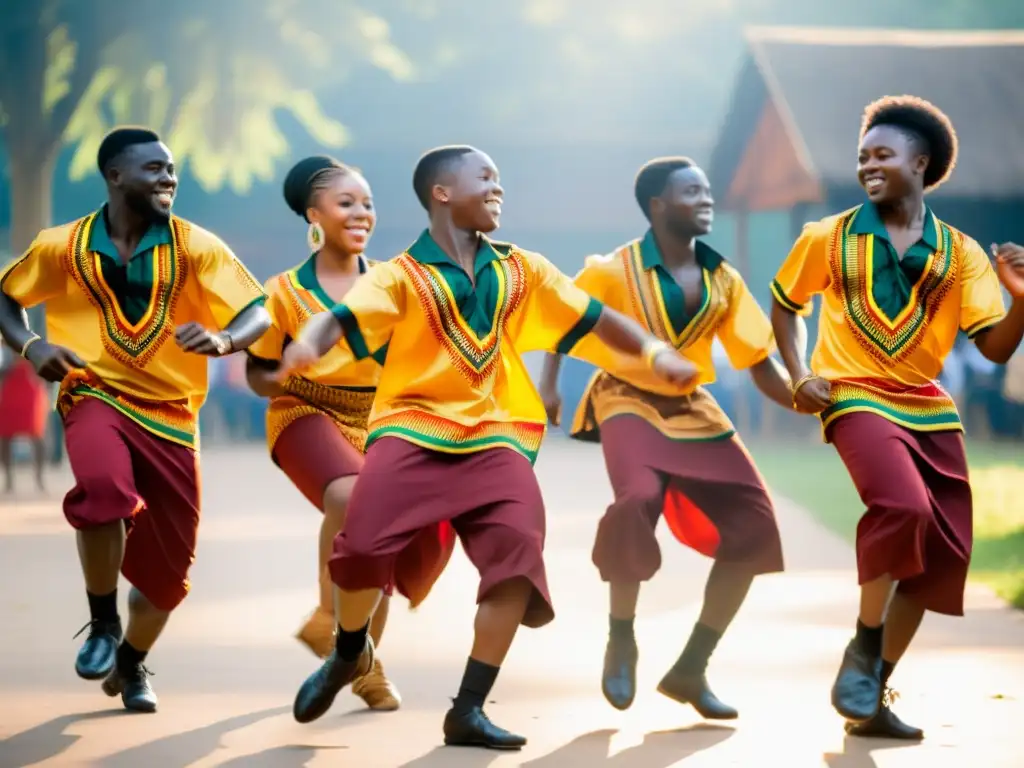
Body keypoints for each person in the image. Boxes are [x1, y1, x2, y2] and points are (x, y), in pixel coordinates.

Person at [275, 145, 699, 750]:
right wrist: (307, 343)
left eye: (499, 180)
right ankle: (347, 654)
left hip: (497, 436)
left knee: (517, 562)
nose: (498, 189)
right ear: (442, 193)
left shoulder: (523, 270)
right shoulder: (400, 274)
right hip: (411, 429)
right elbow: (342, 317)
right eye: (486, 178)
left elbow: (597, 317)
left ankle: (468, 708)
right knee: (363, 546)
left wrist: (657, 354)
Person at [770, 96, 1024, 740]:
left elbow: (993, 345)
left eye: (883, 155)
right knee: (903, 509)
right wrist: (799, 374)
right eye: (863, 157)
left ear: (921, 162)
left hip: (929, 407)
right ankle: (862, 648)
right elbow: (784, 305)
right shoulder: (825, 237)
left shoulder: (961, 253)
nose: (868, 166)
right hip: (852, 396)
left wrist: (1021, 300)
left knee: (941, 556)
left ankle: (869, 697)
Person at [0, 127, 270, 713]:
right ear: (115, 176)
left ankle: (130, 663)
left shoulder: (198, 247)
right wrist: (30, 346)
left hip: (172, 414)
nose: (168, 179)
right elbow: (6, 295)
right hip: (93, 391)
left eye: (172, 170)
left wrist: (224, 339)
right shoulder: (63, 245)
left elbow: (257, 309)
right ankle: (101, 622)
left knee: (168, 578)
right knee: (102, 487)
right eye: (154, 169)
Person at [539, 157, 791, 720]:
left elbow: (759, 362)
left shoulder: (723, 279)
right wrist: (550, 386)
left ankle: (691, 669)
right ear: (657, 205)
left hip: (694, 408)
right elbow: (563, 320)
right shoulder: (612, 270)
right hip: (625, 398)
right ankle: (621, 638)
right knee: (637, 501)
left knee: (756, 525)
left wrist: (813, 402)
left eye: (707, 190)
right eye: (691, 191)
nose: (706, 200)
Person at [246, 155, 399, 711]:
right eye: (346, 203)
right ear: (314, 215)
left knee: (383, 534)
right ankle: (328, 615)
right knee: (350, 496)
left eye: (368, 203)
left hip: (378, 419)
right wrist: (281, 369)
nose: (362, 212)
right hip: (303, 411)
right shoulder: (283, 290)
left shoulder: (391, 283)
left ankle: (365, 662)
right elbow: (257, 374)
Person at [0, 338, 50, 493]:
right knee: (6, 436)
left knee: (37, 435)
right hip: (10, 388)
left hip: (30, 389)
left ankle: (39, 478)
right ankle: (8, 479)